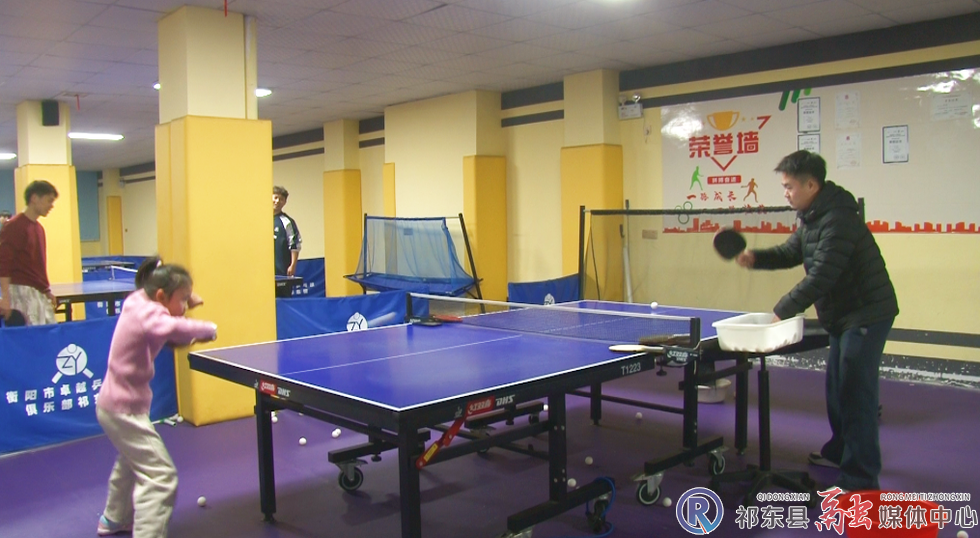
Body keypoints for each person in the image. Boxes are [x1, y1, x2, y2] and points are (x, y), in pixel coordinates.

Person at [736, 150, 898, 492]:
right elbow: (791, 252)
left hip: (867, 312)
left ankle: (861, 479)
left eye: (789, 187)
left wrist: (782, 310)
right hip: (843, 315)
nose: (785, 193)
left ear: (811, 185)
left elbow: (822, 275)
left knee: (856, 393)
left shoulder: (838, 219)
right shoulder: (811, 216)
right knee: (838, 388)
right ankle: (839, 453)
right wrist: (755, 258)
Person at [95, 257, 218, 537]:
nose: (185, 306)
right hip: (124, 410)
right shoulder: (150, 316)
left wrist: (187, 297)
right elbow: (175, 328)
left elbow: (166, 309)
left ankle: (114, 518)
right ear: (161, 296)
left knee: (131, 460)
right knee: (161, 476)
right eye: (182, 300)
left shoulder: (137, 300)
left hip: (113, 405)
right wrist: (209, 330)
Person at [0, 180, 59, 325]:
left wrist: (46, 291)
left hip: (37, 293)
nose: (51, 205)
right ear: (34, 198)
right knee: (33, 336)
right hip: (20, 292)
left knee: (50, 333)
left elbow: (37, 266)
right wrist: (5, 298)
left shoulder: (39, 229)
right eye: (49, 200)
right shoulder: (14, 226)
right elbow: (4, 264)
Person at [272, 186, 302, 276]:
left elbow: (295, 245)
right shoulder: (260, 219)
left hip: (282, 270)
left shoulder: (288, 222)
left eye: (281, 199)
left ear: (284, 202)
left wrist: (293, 265)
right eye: (275, 197)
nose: (277, 201)